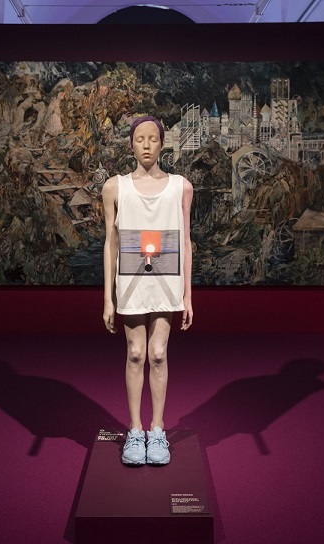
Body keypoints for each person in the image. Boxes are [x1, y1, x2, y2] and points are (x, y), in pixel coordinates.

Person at [102, 115, 194, 465]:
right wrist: (107, 298)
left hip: (165, 283)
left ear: (162, 143)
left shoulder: (181, 187)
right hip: (131, 284)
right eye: (139, 139)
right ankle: (135, 429)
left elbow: (186, 242)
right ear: (131, 144)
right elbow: (110, 244)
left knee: (158, 354)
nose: (146, 145)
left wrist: (188, 296)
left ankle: (157, 428)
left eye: (152, 139)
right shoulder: (115, 188)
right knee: (136, 353)